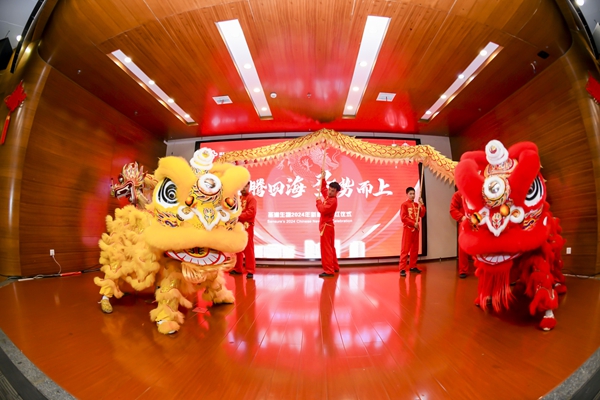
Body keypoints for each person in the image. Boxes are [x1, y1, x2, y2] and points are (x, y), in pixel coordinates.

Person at [316, 175, 341, 278]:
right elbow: (323, 188)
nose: (329, 192)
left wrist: (318, 201)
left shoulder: (332, 201)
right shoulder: (329, 196)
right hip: (328, 226)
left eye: (332, 191)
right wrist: (323, 177)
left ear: (336, 192)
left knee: (326, 249)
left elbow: (322, 210)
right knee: (330, 248)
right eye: (330, 189)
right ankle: (334, 267)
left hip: (326, 227)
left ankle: (329, 270)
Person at [231, 181, 257, 278]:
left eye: (245, 186)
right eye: (242, 186)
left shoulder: (251, 199)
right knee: (238, 248)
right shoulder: (239, 198)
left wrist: (237, 216)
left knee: (248, 248)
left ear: (249, 186)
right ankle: (238, 268)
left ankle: (250, 270)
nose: (243, 188)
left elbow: (251, 213)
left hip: (247, 226)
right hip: (238, 226)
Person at [399, 187, 426, 277]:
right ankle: (402, 269)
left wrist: (422, 205)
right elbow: (403, 218)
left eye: (413, 193)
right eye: (410, 194)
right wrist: (413, 223)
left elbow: (422, 214)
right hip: (408, 229)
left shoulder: (416, 205)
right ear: (407, 194)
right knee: (405, 249)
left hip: (416, 230)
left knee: (415, 249)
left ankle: (413, 266)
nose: (412, 195)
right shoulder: (404, 205)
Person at [449, 190, 469, 279]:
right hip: (464, 223)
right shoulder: (458, 195)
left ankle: (482, 268)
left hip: (477, 222)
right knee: (463, 246)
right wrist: (462, 217)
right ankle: (463, 270)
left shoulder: (475, 192)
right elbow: (452, 209)